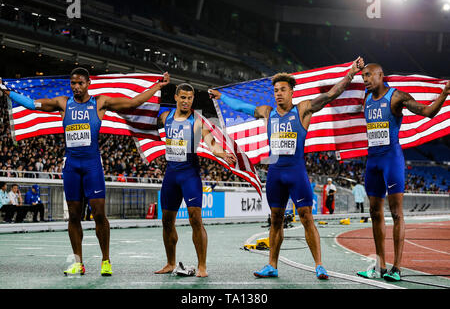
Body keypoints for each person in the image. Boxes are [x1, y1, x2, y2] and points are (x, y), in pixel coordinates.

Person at [1, 68, 170, 276]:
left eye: (80, 83)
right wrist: (8, 92)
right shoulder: (63, 103)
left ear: (88, 83)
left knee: (99, 214)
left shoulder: (100, 103)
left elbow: (133, 103)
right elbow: (32, 104)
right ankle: (77, 262)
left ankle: (106, 261)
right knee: (73, 215)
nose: (76, 87)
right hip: (72, 166)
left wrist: (157, 87)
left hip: (92, 166)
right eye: (73, 83)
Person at [209, 57, 365, 279]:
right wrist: (222, 96)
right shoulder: (267, 112)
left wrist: (350, 73)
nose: (278, 93)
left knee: (306, 217)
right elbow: (242, 107)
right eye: (275, 90)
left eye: (283, 89)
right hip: (275, 173)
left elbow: (330, 95)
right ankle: (272, 265)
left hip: (296, 171)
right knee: (275, 219)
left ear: (292, 91)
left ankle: (319, 265)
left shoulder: (303, 110)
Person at [356, 63, 449, 282]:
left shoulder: (397, 97)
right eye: (363, 76)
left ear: (381, 75)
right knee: (375, 213)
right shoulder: (366, 99)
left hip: (391, 159)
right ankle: (379, 265)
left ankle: (396, 268)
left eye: (369, 75)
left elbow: (427, 112)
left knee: (396, 213)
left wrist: (444, 93)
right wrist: (354, 69)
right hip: (373, 161)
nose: (365, 79)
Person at [154, 83, 236, 278]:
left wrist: (222, 154)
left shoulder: (196, 120)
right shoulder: (166, 117)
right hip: (171, 175)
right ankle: (170, 262)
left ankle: (202, 266)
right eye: (183, 97)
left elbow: (210, 142)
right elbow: (145, 119)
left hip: (189, 175)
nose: (186, 101)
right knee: (166, 221)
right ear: (176, 97)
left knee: (196, 220)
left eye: (190, 98)